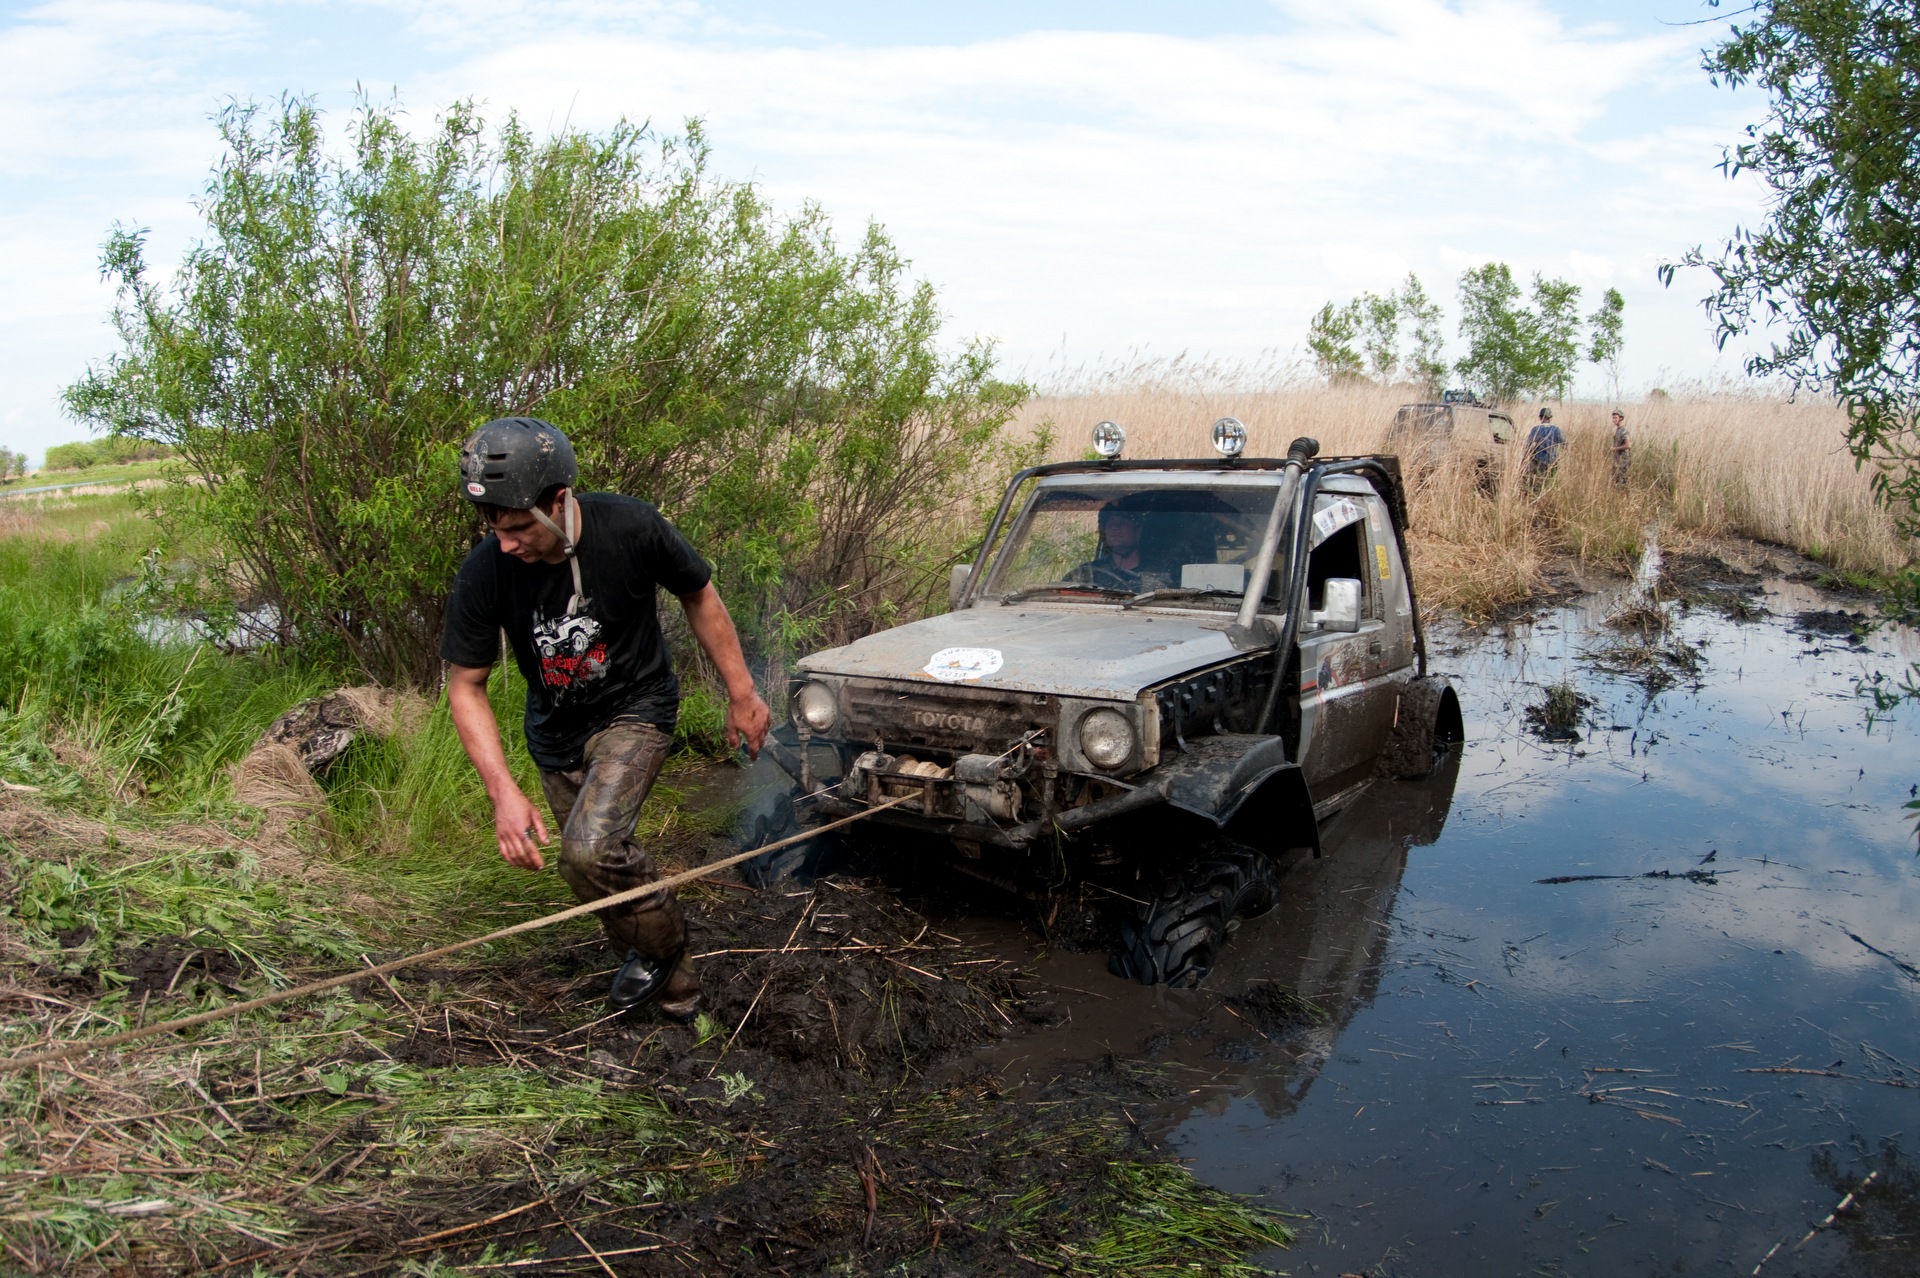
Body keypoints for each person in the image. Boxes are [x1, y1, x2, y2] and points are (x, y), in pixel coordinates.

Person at [439, 417, 771, 1022]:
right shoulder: (485, 571)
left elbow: (700, 593)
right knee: (587, 869)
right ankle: (667, 995)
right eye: (494, 528)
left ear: (559, 502)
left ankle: (670, 965)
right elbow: (467, 686)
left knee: (591, 848)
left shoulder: (631, 525)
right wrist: (501, 793)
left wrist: (742, 694)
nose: (506, 543)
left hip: (635, 708)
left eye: (517, 527)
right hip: (555, 731)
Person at [1523, 406, 1566, 480]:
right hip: (1553, 461)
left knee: (1539, 480)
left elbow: (1528, 445)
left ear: (1540, 417)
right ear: (1550, 418)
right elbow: (1565, 445)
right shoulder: (1556, 429)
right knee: (1551, 481)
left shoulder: (1535, 429)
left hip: (1539, 461)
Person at [1610, 409, 1630, 485]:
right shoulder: (1618, 429)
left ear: (1620, 418)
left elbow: (1628, 445)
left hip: (1623, 460)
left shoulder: (1624, 430)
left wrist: (1615, 448)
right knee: (1616, 480)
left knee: (1623, 481)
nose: (1614, 420)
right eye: (1613, 418)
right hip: (1618, 460)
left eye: (1615, 418)